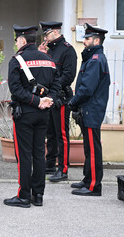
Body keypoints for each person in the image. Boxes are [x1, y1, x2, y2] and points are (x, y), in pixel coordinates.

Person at [4, 24, 61, 208]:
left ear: (21, 40)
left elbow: (16, 89)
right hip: (43, 114)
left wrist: (36, 101)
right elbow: (57, 84)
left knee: (24, 155)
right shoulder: (48, 59)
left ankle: (23, 196)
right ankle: (38, 195)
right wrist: (48, 99)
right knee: (39, 154)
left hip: (25, 113)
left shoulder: (17, 60)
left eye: (16, 40)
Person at [68, 23, 110, 196]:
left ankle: (94, 186)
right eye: (84, 37)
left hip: (92, 110)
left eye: (87, 38)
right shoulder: (91, 58)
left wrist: (72, 102)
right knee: (88, 147)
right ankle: (87, 179)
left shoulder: (95, 60)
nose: (84, 41)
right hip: (88, 109)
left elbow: (87, 89)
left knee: (93, 149)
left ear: (97, 40)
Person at [38, 21, 77, 182]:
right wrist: (41, 53)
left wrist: (53, 90)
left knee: (61, 134)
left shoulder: (67, 50)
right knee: (50, 133)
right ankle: (50, 164)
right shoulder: (49, 50)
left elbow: (68, 75)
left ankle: (63, 168)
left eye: (46, 34)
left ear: (55, 32)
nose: (45, 38)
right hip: (49, 98)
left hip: (60, 98)